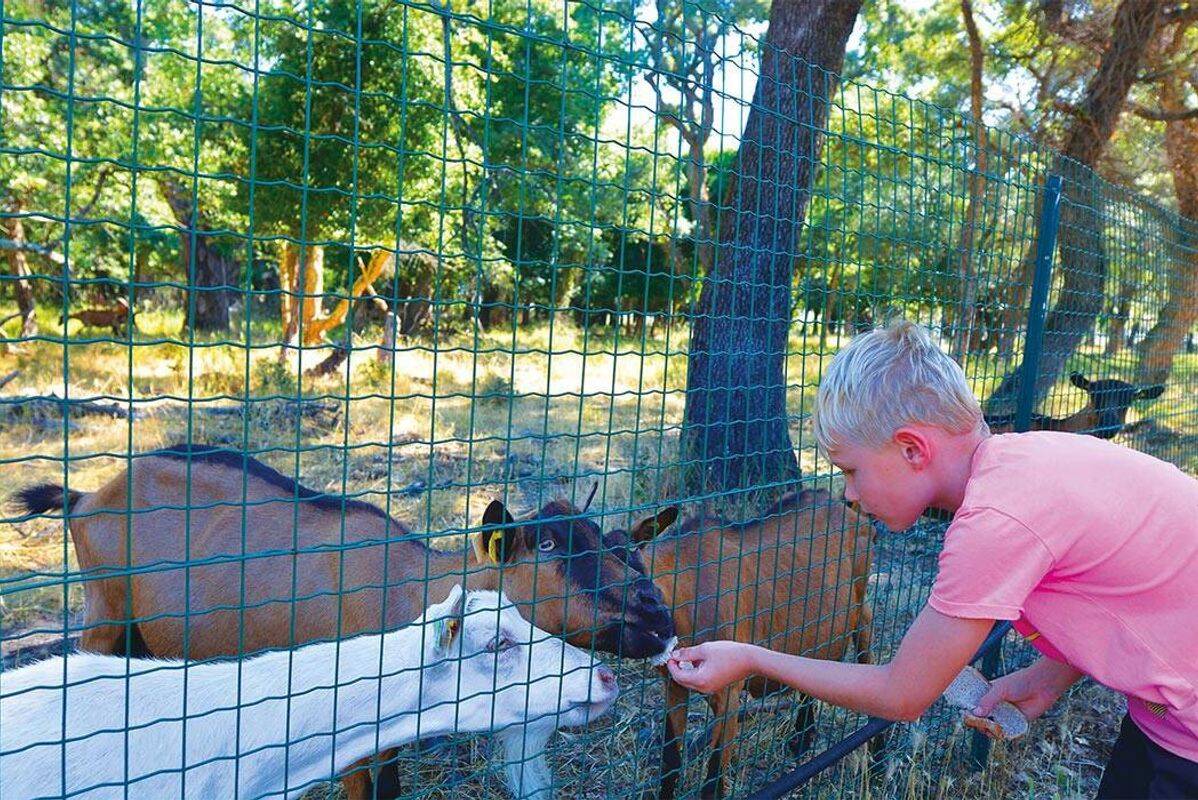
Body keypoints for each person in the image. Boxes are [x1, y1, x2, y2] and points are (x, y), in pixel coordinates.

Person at [666, 318, 1198, 798]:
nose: (849, 494)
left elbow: (902, 695)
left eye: (851, 471)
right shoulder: (1027, 461)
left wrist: (753, 658)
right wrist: (1047, 676)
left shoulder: (994, 521)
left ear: (912, 449)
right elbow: (1129, 585)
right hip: (1165, 716)